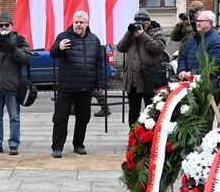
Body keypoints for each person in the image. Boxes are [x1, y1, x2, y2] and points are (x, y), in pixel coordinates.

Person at [49, 10, 104, 158]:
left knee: (83, 117)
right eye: (76, 22)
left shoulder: (94, 39)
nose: (78, 25)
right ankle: (57, 147)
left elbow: (98, 63)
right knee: (61, 117)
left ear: (87, 23)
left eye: (81, 22)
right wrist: (58, 47)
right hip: (66, 86)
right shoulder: (63, 37)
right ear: (73, 22)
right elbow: (53, 54)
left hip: (86, 87)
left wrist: (98, 82)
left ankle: (78, 145)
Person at [0, 12, 31, 156]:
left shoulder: (19, 40)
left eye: (6, 24)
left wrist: (13, 49)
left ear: (11, 25)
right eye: (1, 25)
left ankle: (14, 144)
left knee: (14, 117)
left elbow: (26, 59)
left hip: (12, 85)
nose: (4, 27)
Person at [115, 8, 169, 126]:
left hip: (149, 79)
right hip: (133, 80)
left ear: (148, 22)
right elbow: (120, 48)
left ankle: (149, 139)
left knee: (152, 111)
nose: (139, 25)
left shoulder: (157, 33)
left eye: (142, 22)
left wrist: (142, 35)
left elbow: (158, 49)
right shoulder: (131, 35)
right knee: (133, 111)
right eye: (137, 22)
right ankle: (133, 138)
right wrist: (129, 33)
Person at [176, 10, 220, 80]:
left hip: (205, 84)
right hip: (188, 81)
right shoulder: (192, 39)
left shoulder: (216, 41)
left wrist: (192, 74)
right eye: (197, 21)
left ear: (210, 23)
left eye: (201, 21)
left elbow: (213, 65)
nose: (198, 23)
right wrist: (182, 71)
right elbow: (182, 57)